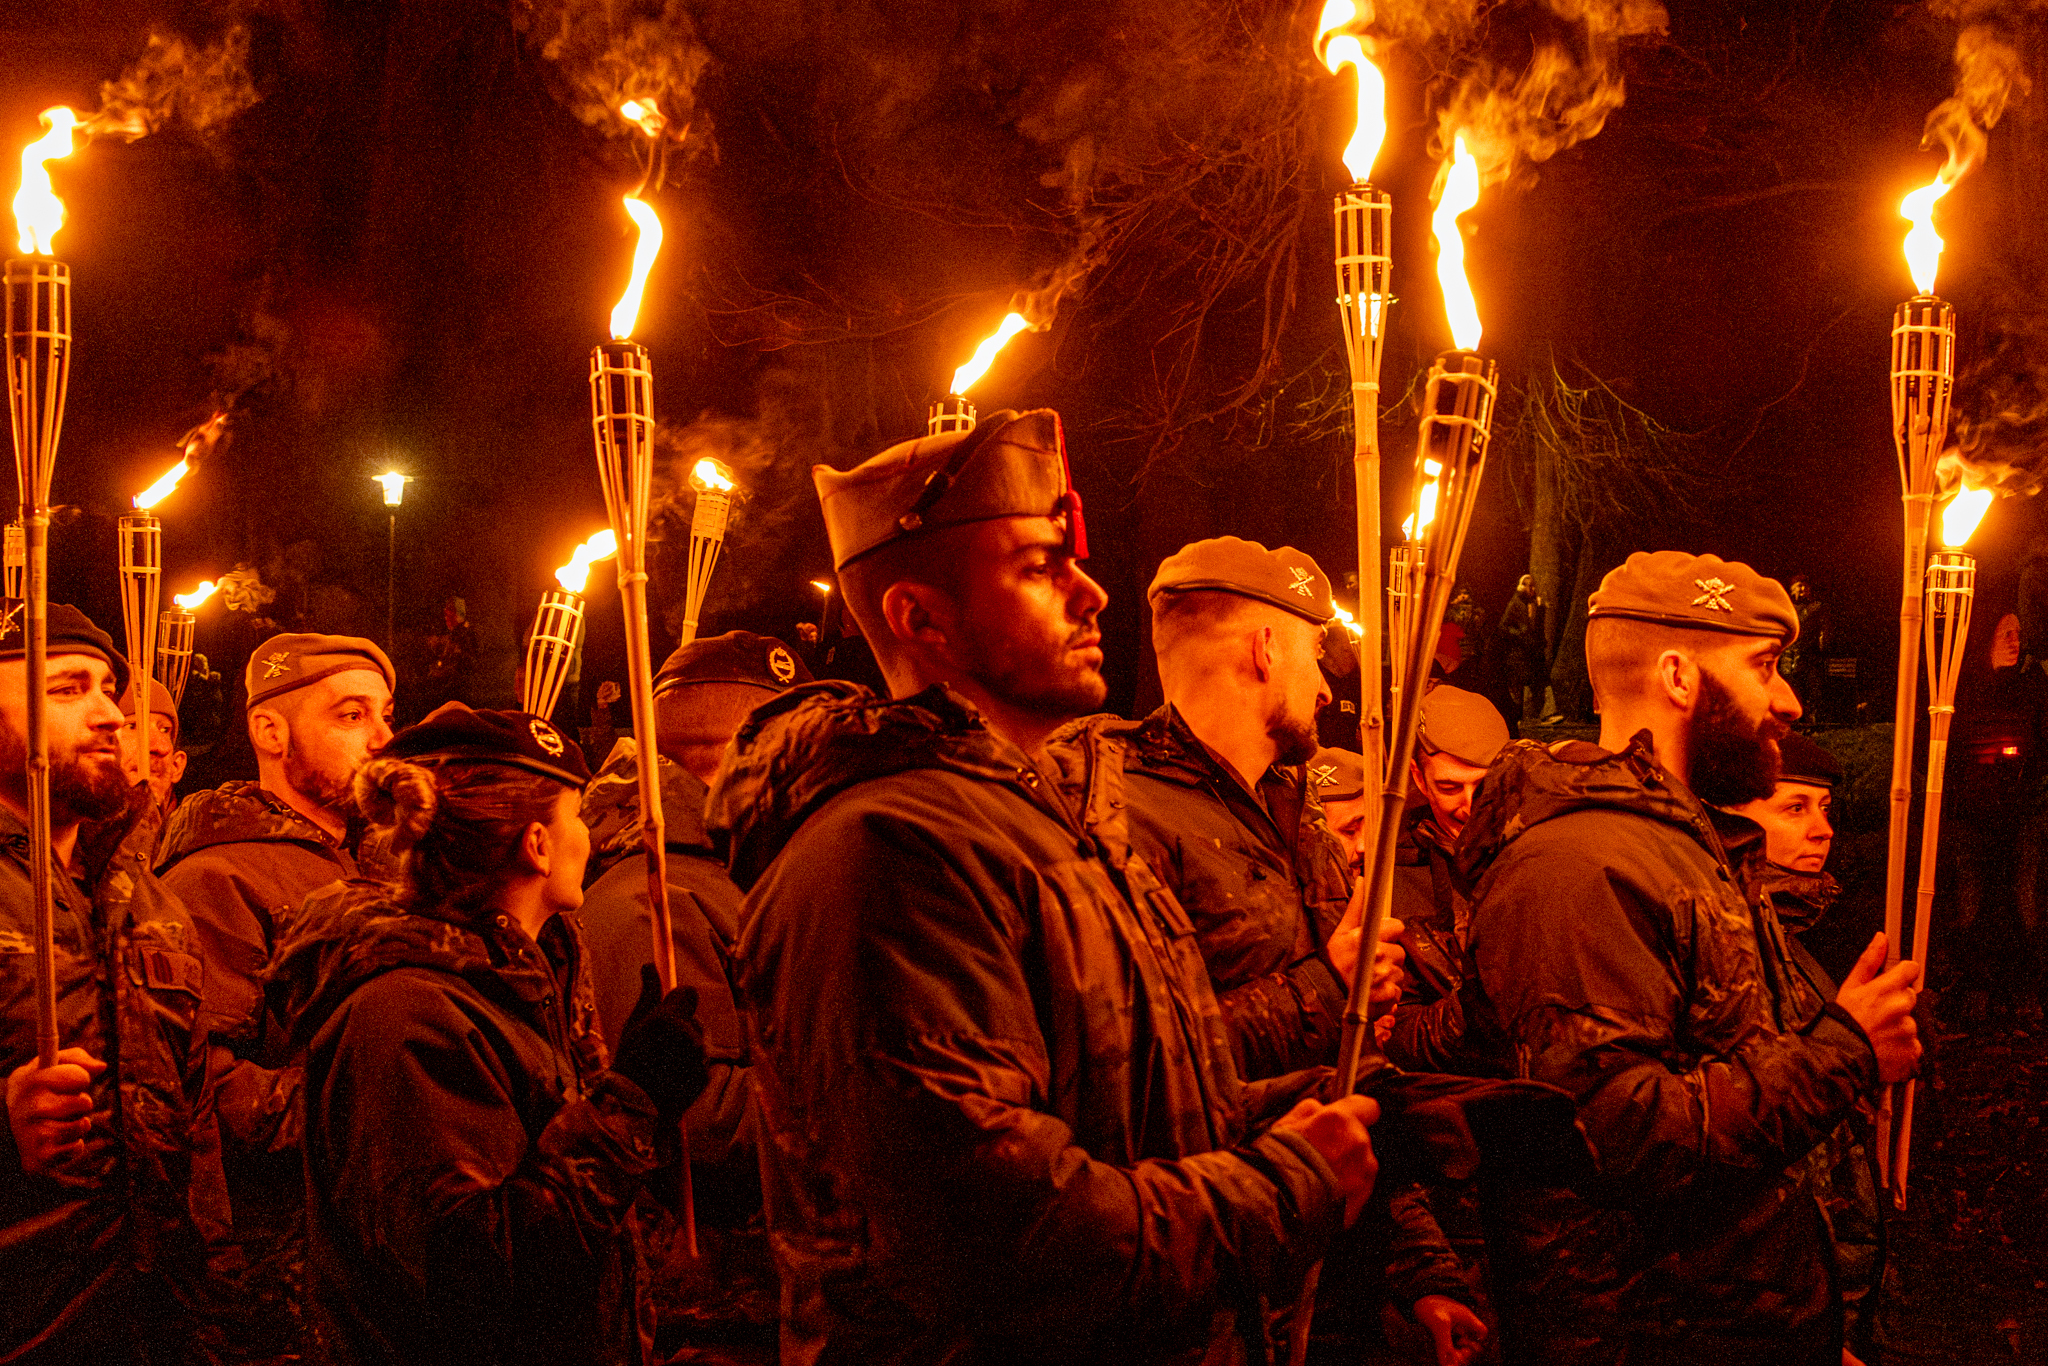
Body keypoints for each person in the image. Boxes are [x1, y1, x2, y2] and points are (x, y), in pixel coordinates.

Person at [713, 410, 1381, 1365]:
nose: (1093, 592)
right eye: (1038, 567)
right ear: (920, 617)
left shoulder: (1048, 826)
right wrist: (1288, 1182)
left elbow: (1120, 1113)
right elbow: (1011, 1240)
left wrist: (1304, 1105)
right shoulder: (886, 855)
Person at [1462, 551, 1922, 1365]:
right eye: (1764, 667)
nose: (1789, 699)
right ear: (1679, 676)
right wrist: (1845, 1053)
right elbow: (1618, 1134)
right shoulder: (1579, 868)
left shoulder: (1688, 848)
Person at [270, 702, 709, 1366]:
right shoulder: (406, 1011)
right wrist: (629, 1106)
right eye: (578, 817)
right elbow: (475, 1275)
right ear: (536, 843)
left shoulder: (509, 987)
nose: (589, 838)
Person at [576, 630, 812, 1363]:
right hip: (714, 1303)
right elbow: (696, 1119)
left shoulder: (731, 871)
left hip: (773, 1282)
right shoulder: (653, 897)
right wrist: (861, 1100)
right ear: (740, 752)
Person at [0, 605, 222, 1363]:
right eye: (67, 690)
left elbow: (197, 1121)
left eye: (108, 691)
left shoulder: (149, 901)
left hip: (153, 1324)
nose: (109, 716)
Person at [1103, 536, 1396, 1081]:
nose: (1326, 691)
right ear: (1265, 649)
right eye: (1314, 655)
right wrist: (1331, 985)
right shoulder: (1123, 823)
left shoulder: (1291, 806)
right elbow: (1144, 1065)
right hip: (1247, 1159)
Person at [1724, 730, 1887, 1363]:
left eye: (1824, 810)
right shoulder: (1735, 934)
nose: (1821, 830)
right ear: (1738, 818)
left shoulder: (1813, 927)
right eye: (1794, 808)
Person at [156, 632, 396, 1055]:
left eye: (386, 716)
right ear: (270, 732)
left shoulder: (372, 860)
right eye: (353, 716)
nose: (383, 739)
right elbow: (207, 1079)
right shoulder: (216, 881)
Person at [1384, 685, 1509, 1077]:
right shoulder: (1391, 880)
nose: (1469, 806)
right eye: (1450, 787)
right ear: (1420, 779)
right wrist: (1480, 999)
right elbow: (1397, 1036)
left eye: (1483, 786)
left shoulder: (1543, 853)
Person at [119, 675, 188, 824]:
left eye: (165, 730)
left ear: (176, 766)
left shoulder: (197, 838)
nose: (160, 747)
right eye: (132, 727)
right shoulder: (64, 840)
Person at [1495, 574, 1546, 722]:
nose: (1531, 588)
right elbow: (1503, 626)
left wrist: (1541, 608)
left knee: (1534, 681)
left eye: (1532, 586)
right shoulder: (1515, 603)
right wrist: (1519, 633)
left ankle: (1534, 714)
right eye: (1528, 585)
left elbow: (1537, 626)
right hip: (1518, 650)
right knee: (1517, 684)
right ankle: (1515, 716)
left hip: (1531, 649)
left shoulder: (1534, 603)